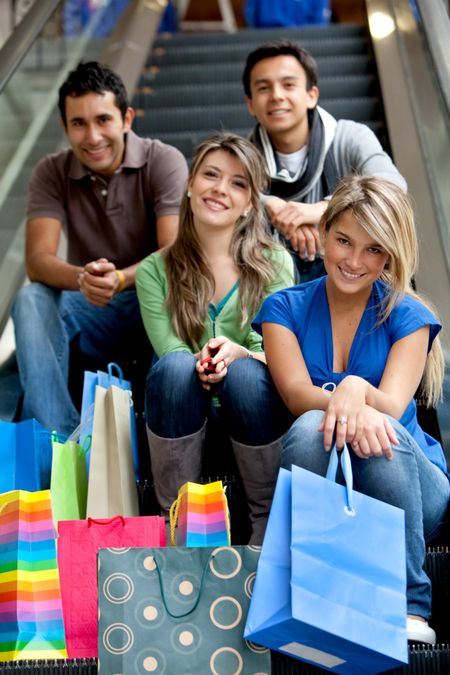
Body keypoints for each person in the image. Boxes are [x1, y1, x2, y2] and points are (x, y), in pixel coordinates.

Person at [253, 175, 449, 644]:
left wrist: (357, 388)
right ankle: (308, 589)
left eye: (373, 249)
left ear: (389, 256)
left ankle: (408, 604)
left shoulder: (408, 315)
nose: (355, 261)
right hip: (329, 463)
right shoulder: (283, 307)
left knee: (381, 428)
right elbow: (298, 394)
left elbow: (391, 405)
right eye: (343, 240)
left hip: (410, 482)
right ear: (323, 234)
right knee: (306, 428)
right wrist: (350, 398)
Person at [11, 61, 188, 436]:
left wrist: (121, 278)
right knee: (30, 300)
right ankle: (57, 442)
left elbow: (175, 251)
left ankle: (162, 431)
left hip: (152, 304)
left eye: (103, 120)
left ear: (126, 118)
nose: (92, 137)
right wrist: (83, 278)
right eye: (79, 123)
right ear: (65, 128)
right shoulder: (51, 171)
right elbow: (37, 259)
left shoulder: (164, 160)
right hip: (91, 308)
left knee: (177, 291)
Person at [136, 132, 294, 544]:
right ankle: (179, 526)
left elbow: (278, 352)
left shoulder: (274, 263)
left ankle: (268, 525)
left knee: (245, 373)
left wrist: (240, 352)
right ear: (189, 185)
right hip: (185, 410)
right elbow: (169, 349)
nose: (220, 189)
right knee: (173, 366)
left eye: (238, 183)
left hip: (253, 408)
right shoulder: (155, 270)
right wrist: (202, 363)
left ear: (249, 204)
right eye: (211, 175)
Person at [242, 40, 407, 282]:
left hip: (355, 276)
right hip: (270, 282)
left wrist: (320, 211)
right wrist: (270, 205)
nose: (277, 96)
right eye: (264, 88)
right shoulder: (243, 157)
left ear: (311, 95)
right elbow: (222, 199)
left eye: (288, 85)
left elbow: (393, 186)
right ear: (250, 104)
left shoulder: (350, 137)